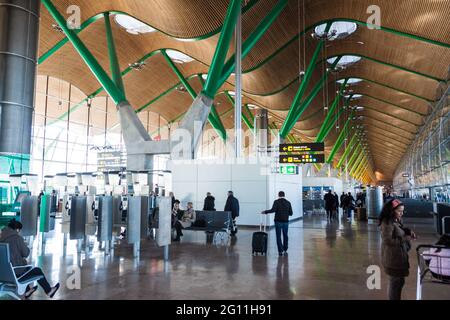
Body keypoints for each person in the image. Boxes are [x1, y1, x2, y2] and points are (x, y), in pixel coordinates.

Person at [0, 219, 60, 299]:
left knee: (24, 267)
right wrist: (25, 245)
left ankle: (28, 291)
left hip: (3, 274)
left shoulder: (1, 238)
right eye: (19, 230)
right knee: (37, 270)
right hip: (15, 274)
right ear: (17, 229)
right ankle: (49, 291)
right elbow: (26, 253)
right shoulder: (17, 238)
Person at [379, 199, 416, 300]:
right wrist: (406, 238)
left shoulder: (396, 219)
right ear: (392, 210)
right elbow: (388, 241)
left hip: (398, 257)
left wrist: (408, 231)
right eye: (399, 211)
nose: (402, 213)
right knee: (395, 284)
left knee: (399, 282)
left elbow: (399, 230)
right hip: (392, 259)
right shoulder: (387, 223)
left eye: (403, 211)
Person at [261, 191, 293, 256]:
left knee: (278, 236)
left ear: (278, 195)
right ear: (284, 195)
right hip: (285, 222)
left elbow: (273, 210)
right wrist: (285, 213)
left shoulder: (276, 202)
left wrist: (265, 212)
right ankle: (285, 249)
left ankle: (280, 251)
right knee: (285, 235)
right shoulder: (288, 202)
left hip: (278, 221)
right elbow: (291, 213)